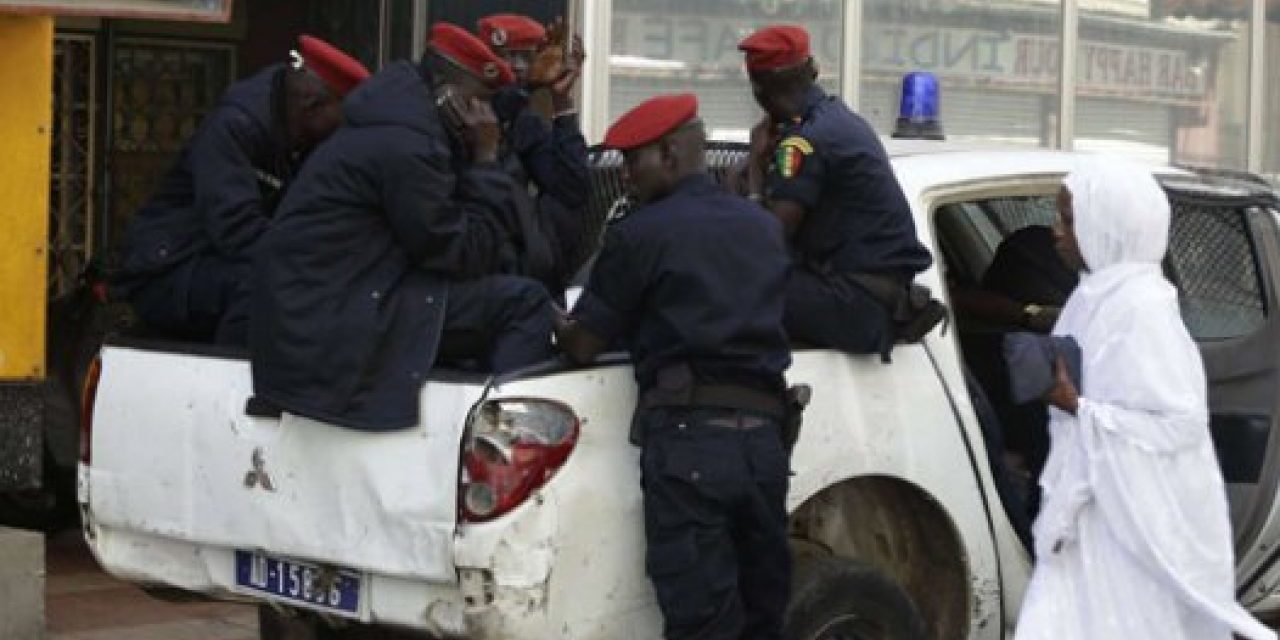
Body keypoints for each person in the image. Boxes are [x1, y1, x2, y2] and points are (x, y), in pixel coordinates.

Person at [556, 94, 793, 640]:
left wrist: (555, 320)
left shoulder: (641, 233)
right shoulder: (761, 227)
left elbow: (586, 346)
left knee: (701, 620)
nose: (625, 179)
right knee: (763, 614)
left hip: (689, 444)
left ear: (667, 153)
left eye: (632, 162)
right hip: (765, 445)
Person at [1012, 158, 1275, 640]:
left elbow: (1176, 426)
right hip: (1091, 517)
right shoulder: (1091, 296)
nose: (1056, 233)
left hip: (1137, 527)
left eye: (1069, 220)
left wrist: (1077, 407)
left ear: (1107, 225)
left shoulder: (1143, 310)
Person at [249, 23, 556, 432]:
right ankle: (507, 441)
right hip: (337, 313)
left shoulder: (404, 123)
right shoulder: (409, 145)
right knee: (524, 304)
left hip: (342, 293)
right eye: (478, 103)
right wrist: (485, 159)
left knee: (515, 295)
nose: (488, 118)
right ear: (448, 97)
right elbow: (460, 251)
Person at [111, 35, 369, 343]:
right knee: (265, 284)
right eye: (344, 118)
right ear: (312, 106)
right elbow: (235, 229)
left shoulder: (302, 136)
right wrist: (306, 262)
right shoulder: (235, 126)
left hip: (212, 261)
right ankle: (233, 379)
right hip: (168, 268)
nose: (345, 131)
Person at [736, 25, 934, 360]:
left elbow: (767, 241)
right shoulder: (839, 121)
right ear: (813, 70)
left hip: (854, 305)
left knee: (717, 288)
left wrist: (755, 168)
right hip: (869, 298)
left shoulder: (805, 140)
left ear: (758, 89)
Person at [477, 13, 591, 295]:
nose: (517, 68)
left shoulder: (524, 121)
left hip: (518, 271)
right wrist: (525, 87)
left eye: (526, 58)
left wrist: (563, 104)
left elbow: (572, 189)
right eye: (507, 57)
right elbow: (497, 108)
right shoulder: (460, 110)